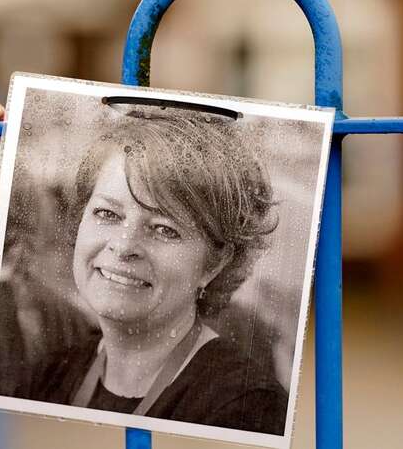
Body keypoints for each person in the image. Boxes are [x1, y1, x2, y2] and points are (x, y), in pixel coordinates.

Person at [22, 104, 288, 435]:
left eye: (164, 229)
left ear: (215, 263)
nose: (123, 245)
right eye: (108, 213)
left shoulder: (245, 405)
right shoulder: (52, 373)